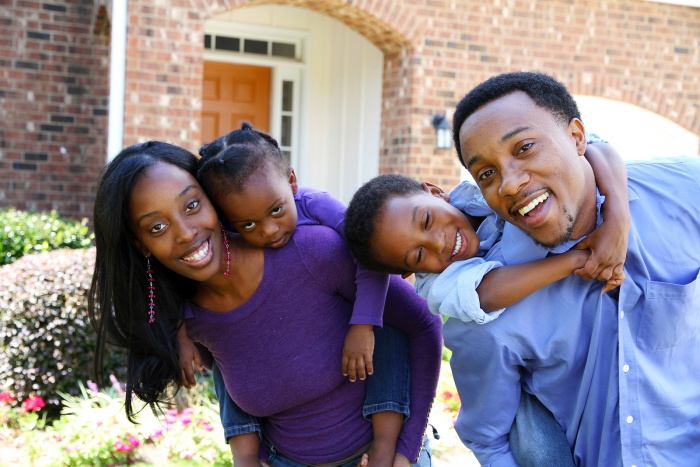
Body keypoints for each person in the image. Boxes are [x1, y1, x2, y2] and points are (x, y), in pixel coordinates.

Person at [88, 141, 443, 467]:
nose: (184, 232)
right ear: (141, 245)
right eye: (157, 227)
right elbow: (245, 386)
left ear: (213, 200)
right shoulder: (190, 320)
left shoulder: (313, 252)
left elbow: (423, 325)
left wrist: (404, 453)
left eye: (192, 205)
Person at [441, 71, 700, 466]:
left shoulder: (683, 191)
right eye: (487, 174)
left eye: (525, 147)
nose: (509, 183)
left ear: (578, 138)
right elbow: (490, 441)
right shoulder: (487, 304)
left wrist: (616, 210)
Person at [178, 123, 417, 465]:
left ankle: (384, 439)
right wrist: (180, 333)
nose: (269, 230)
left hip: (364, 318)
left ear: (292, 182)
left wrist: (362, 324)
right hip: (285, 447)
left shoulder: (316, 208)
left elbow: (367, 253)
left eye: (276, 210)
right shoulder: (224, 258)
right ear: (226, 223)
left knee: (386, 325)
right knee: (227, 346)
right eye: (248, 225)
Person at [343, 135, 628, 325]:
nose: (438, 243)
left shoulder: (486, 185)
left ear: (435, 192)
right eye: (419, 254)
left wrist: (617, 222)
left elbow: (591, 145)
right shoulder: (435, 286)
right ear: (409, 274)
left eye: (427, 220)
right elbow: (483, 293)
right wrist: (578, 260)